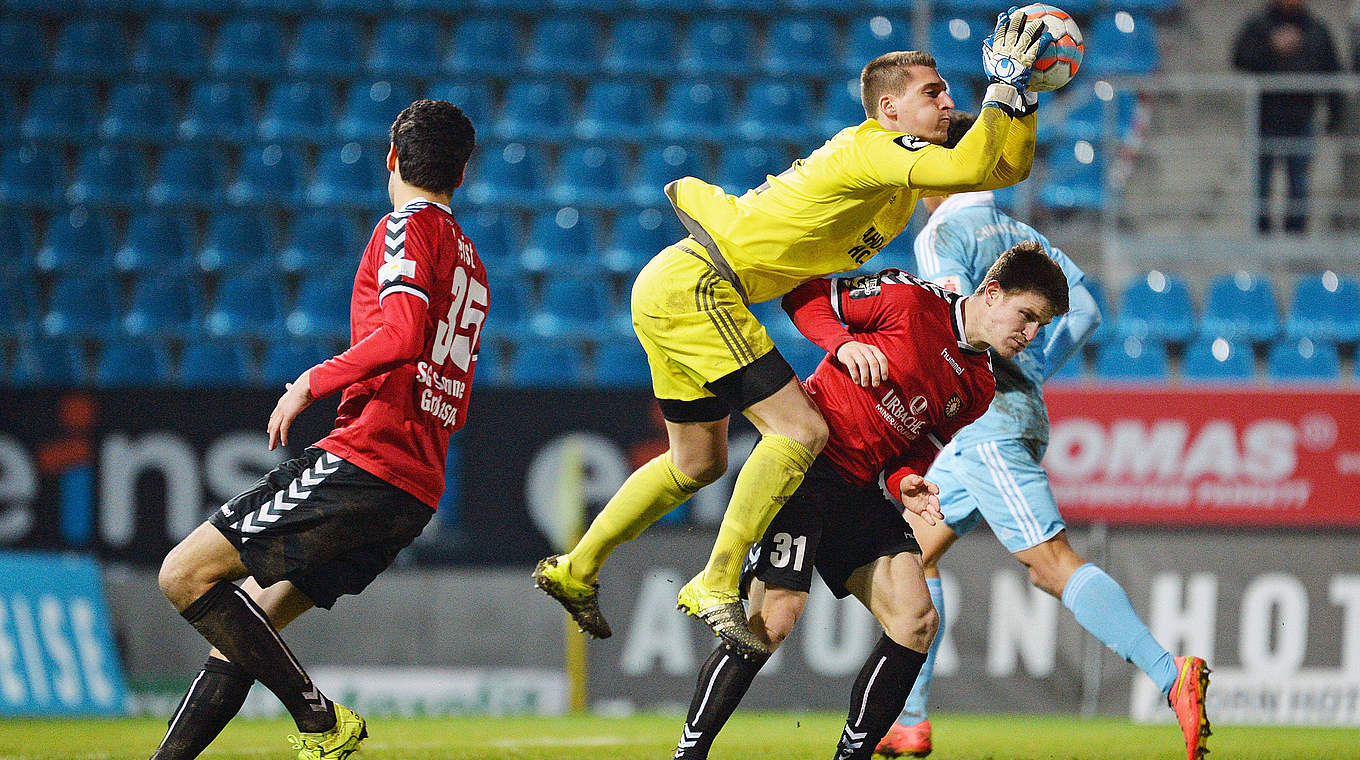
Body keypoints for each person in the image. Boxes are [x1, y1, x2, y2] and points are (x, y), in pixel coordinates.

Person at [534, 9, 1052, 658]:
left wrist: (1021, 99)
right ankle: (716, 582)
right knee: (801, 430)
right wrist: (999, 86)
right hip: (699, 283)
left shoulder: (896, 184)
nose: (948, 102)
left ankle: (575, 568)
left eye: (949, 92)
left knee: (698, 462)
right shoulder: (872, 150)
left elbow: (999, 169)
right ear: (888, 109)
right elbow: (974, 165)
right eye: (934, 93)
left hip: (681, 287)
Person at [150, 99, 484, 760]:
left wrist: (313, 380)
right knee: (245, 630)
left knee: (182, 575)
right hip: (417, 486)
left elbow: (403, 334)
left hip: (368, 460)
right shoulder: (470, 261)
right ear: (463, 174)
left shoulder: (405, 228)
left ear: (391, 159)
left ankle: (320, 719)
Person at [874, 113, 1210, 760]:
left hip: (989, 423)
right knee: (916, 556)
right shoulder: (1016, 231)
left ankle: (1174, 677)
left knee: (1052, 568)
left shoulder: (944, 232)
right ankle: (909, 721)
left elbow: (945, 328)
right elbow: (1084, 311)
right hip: (1002, 418)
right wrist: (1029, 365)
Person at [671, 243, 1071, 760]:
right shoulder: (908, 300)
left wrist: (907, 481)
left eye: (1041, 325)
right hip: (805, 469)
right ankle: (689, 753)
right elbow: (804, 295)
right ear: (991, 294)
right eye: (1028, 316)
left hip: (859, 491)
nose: (1031, 334)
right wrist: (841, 343)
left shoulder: (979, 386)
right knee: (774, 618)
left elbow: (916, 449)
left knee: (917, 620)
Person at [1232, 0, 1344, 234]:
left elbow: (1332, 71)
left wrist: (1336, 115)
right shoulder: (1259, 25)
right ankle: (1262, 236)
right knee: (1261, 184)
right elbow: (1240, 58)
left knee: (1299, 185)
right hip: (1265, 119)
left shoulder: (1316, 29)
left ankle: (1296, 237)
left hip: (1301, 118)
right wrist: (1271, 47)